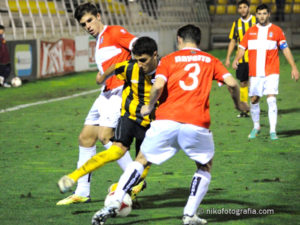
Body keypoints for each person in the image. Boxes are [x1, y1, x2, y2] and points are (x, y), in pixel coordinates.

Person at [90, 24, 246, 225]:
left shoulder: (169, 59)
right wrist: (239, 104)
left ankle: (115, 200)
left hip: (166, 120)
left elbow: (158, 85)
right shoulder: (210, 60)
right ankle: (189, 215)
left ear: (179, 39)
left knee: (141, 160)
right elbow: (233, 84)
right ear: (198, 40)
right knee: (204, 166)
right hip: (197, 122)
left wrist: (149, 106)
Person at [57, 37, 159, 200]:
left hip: (152, 125)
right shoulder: (129, 67)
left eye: (143, 60)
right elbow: (114, 67)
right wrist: (102, 77)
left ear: (155, 55)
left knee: (142, 167)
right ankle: (73, 177)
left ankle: (121, 189)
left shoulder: (166, 71)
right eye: (137, 60)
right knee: (115, 151)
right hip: (130, 118)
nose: (140, 65)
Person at [56, 2, 138, 205]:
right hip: (106, 93)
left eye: (90, 20)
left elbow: (140, 46)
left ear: (99, 16)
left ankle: (134, 180)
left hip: (120, 92)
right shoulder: (100, 40)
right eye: (84, 24)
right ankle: (82, 192)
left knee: (105, 136)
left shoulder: (115, 32)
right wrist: (103, 75)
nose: (88, 26)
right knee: (85, 138)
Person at [232, 4, 299, 140]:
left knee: (271, 99)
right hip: (255, 72)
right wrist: (236, 59)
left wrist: (294, 67)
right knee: (254, 100)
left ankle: (273, 131)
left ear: (269, 14)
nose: (262, 16)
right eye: (259, 14)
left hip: (271, 71)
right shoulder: (250, 32)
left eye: (264, 13)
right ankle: (256, 126)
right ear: (256, 15)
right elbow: (242, 47)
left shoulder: (276, 31)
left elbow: (285, 49)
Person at [225, 0, 256, 118]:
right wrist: (228, 57)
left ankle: (254, 106)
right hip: (242, 59)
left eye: (245, 7)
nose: (242, 9)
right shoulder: (236, 23)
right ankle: (245, 109)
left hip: (255, 58)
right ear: (238, 10)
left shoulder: (256, 21)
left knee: (255, 83)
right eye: (240, 8)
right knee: (243, 83)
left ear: (249, 8)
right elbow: (233, 41)